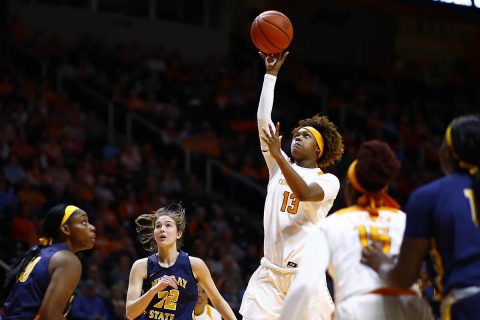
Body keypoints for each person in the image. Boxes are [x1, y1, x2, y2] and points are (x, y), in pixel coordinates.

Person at [239, 51, 344, 320]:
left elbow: (305, 193)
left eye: (306, 136)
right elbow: (263, 121)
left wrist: (277, 157)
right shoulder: (278, 164)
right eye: (296, 135)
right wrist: (270, 76)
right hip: (270, 274)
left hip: (305, 277)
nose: (297, 138)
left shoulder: (328, 181)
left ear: (319, 150)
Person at [279, 140, 434, 320]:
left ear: (350, 187)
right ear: (385, 187)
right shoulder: (404, 220)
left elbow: (304, 287)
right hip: (411, 306)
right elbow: (429, 271)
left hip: (358, 308)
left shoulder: (331, 224)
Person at [362, 115, 480, 320]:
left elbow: (403, 277)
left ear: (448, 153)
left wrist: (381, 263)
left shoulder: (430, 196)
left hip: (468, 303)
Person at [126, 204, 236, 320]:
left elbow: (218, 301)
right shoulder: (141, 266)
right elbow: (130, 313)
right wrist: (154, 290)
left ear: (179, 234)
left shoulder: (195, 265)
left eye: (168, 225)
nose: (162, 229)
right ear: (154, 234)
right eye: (158, 226)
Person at [2, 204, 96, 319]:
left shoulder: (42, 253)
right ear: (66, 229)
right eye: (84, 222)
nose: (92, 227)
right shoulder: (67, 260)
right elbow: (49, 315)